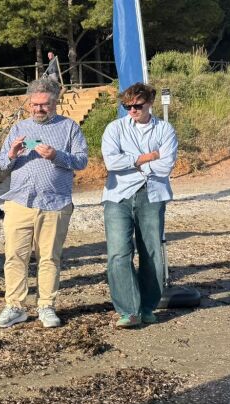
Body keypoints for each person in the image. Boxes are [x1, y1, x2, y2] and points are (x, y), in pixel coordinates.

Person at [0, 79, 88, 329]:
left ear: (55, 102)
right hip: (19, 202)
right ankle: (15, 306)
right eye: (35, 104)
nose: (38, 109)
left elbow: (81, 161)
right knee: (14, 257)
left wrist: (56, 155)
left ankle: (46, 306)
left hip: (55, 203)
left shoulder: (69, 128)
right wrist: (12, 153)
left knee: (49, 258)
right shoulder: (19, 128)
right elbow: (2, 164)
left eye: (44, 104)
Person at [101, 82, 178, 328]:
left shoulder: (165, 130)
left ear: (150, 103)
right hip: (118, 196)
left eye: (137, 106)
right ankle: (128, 310)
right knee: (118, 254)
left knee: (152, 252)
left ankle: (147, 307)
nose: (132, 110)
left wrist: (132, 162)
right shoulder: (114, 128)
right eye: (127, 106)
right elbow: (111, 163)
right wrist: (147, 157)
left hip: (152, 195)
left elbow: (166, 166)